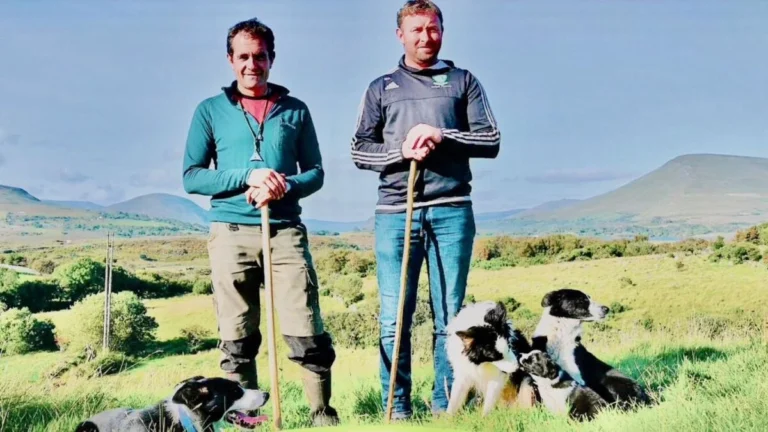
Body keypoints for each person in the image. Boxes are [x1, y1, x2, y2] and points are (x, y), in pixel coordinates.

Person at [182, 18, 339, 427]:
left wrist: (282, 185)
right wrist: (247, 176)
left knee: (306, 329)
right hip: (230, 234)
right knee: (238, 337)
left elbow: (317, 172)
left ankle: (322, 415)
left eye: (261, 56)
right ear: (230, 60)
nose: (253, 65)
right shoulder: (209, 111)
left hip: (285, 231)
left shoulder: (295, 110)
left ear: (272, 57)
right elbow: (192, 176)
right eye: (244, 57)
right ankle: (247, 422)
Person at [350, 0, 501, 419]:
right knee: (393, 318)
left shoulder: (463, 81)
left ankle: (443, 406)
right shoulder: (382, 87)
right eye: (416, 29)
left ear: (442, 30)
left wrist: (441, 134)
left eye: (432, 28)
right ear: (400, 34)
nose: (425, 37)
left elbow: (490, 139)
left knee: (449, 317)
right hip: (397, 212)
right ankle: (395, 409)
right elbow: (359, 150)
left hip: (452, 210)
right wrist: (401, 150)